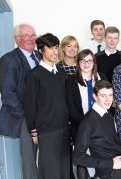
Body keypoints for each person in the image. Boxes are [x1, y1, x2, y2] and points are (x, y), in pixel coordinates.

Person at [24, 33, 70, 179]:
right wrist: (33, 131)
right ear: (42, 50)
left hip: (63, 129)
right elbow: (30, 106)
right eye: (50, 48)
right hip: (46, 132)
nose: (55, 52)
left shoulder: (62, 73)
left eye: (56, 48)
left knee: (64, 170)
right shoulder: (34, 75)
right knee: (50, 172)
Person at [0, 23, 39, 179]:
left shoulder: (40, 55)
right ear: (17, 39)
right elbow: (7, 93)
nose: (30, 39)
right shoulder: (8, 60)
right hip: (25, 116)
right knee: (29, 160)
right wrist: (24, 115)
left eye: (33, 35)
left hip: (43, 114)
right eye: (26, 36)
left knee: (45, 157)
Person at [67, 49, 106, 179]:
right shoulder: (71, 81)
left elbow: (108, 100)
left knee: (100, 157)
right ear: (78, 63)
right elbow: (71, 108)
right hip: (80, 126)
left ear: (94, 63)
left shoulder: (101, 77)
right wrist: (86, 124)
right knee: (82, 159)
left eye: (89, 60)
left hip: (100, 126)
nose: (86, 63)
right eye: (83, 61)